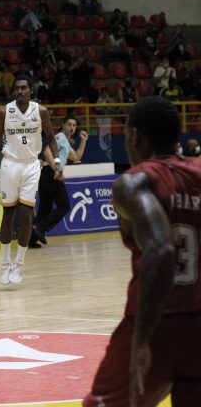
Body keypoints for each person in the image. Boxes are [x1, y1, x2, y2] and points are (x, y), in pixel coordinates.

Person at [84, 97, 201, 407]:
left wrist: (141, 337)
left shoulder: (135, 182)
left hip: (159, 318)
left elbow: (161, 250)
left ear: (134, 137)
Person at [0, 75, 61, 285]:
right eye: (17, 88)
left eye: (24, 88)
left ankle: (19, 264)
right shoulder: (3, 112)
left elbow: (50, 137)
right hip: (10, 165)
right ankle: (5, 263)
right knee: (8, 215)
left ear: (31, 90)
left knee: (26, 215)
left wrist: (57, 162)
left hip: (32, 165)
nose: (20, 91)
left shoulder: (41, 111)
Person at [29, 116, 89, 248]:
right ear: (63, 125)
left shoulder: (66, 142)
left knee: (45, 208)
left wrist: (83, 141)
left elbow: (76, 157)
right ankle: (40, 228)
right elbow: (47, 150)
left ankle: (31, 239)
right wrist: (56, 168)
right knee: (64, 205)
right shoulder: (60, 137)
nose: (72, 127)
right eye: (69, 124)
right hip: (51, 172)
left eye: (74, 125)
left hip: (46, 173)